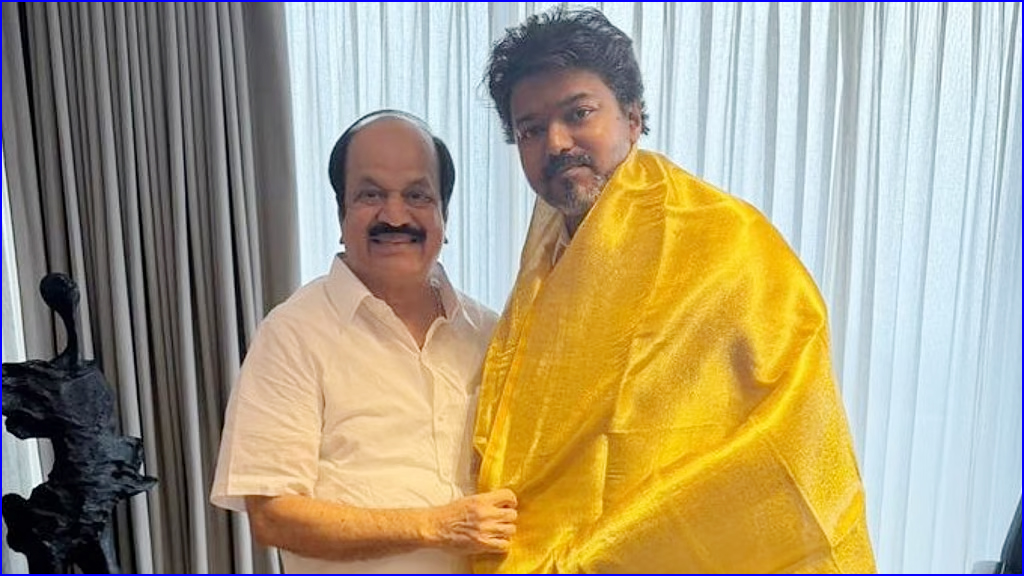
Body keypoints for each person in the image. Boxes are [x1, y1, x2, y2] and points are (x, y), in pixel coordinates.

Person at [472, 7, 876, 573]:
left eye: (578, 113)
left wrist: (606, 553)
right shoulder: (543, 261)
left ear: (633, 118)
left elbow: (794, 429)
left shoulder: (727, 239)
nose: (556, 142)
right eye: (530, 130)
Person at [211, 110, 517, 574]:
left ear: (444, 215)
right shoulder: (292, 333)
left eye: (417, 195)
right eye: (371, 195)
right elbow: (273, 516)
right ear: (341, 214)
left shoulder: (490, 333)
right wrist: (435, 526)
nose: (395, 216)